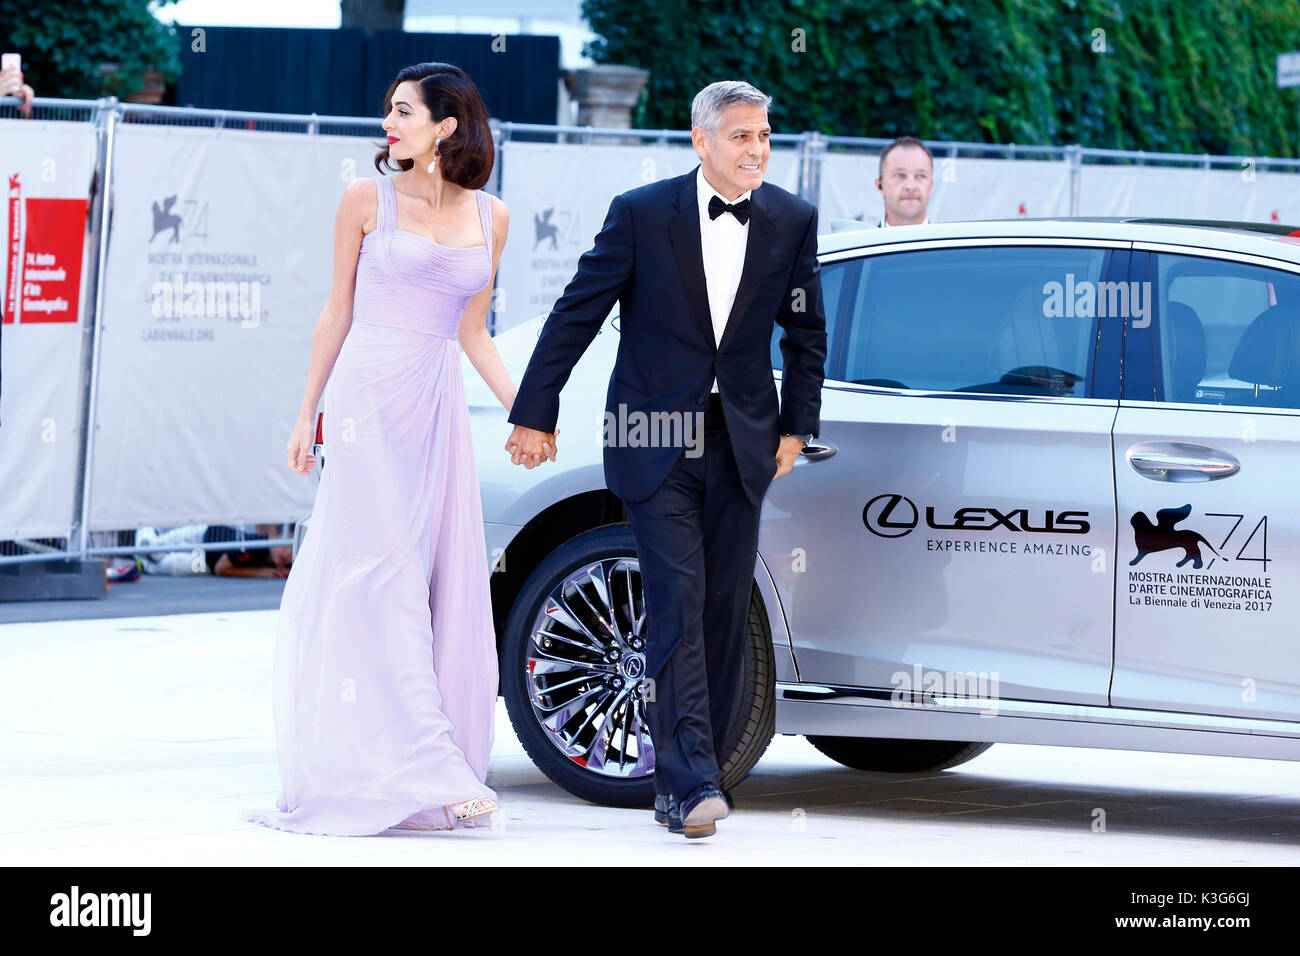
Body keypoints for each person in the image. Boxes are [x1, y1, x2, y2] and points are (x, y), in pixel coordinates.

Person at [505, 80, 826, 839]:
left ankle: (686, 770)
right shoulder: (643, 215)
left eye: (764, 136)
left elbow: (807, 334)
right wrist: (535, 410)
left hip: (741, 441)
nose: (756, 149)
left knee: (720, 610)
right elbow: (577, 310)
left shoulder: (791, 219)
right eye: (742, 135)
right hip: (653, 439)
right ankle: (690, 786)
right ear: (701, 140)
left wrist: (794, 428)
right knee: (678, 600)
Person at [237, 62, 514, 836]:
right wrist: (306, 417)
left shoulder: (492, 216)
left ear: (446, 126)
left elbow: (474, 333)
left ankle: (408, 764)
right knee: (386, 572)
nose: (388, 125)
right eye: (388, 112)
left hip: (435, 402)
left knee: (431, 578)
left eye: (403, 112)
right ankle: (434, 766)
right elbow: (334, 312)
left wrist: (530, 413)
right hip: (364, 400)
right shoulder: (364, 200)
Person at [875, 135, 934, 227]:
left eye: (921, 176)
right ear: (880, 185)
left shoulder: (952, 241)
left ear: (931, 185)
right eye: (900, 175)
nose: (911, 187)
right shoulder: (859, 241)